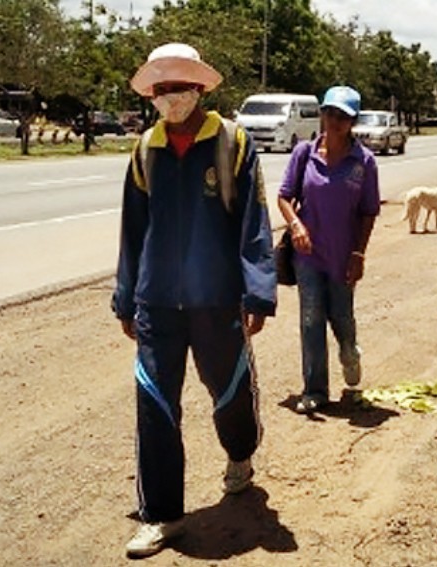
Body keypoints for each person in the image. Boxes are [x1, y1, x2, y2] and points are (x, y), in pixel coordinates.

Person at [111, 43, 277, 559]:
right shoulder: (145, 149)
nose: (169, 96)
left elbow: (253, 222)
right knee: (155, 405)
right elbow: (132, 231)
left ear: (200, 87)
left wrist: (258, 290)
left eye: (178, 85)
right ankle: (162, 515)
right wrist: (125, 298)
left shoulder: (232, 142)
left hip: (217, 300)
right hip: (157, 302)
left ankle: (240, 456)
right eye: (160, 88)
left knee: (228, 394)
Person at [276, 85, 381, 414]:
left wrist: (359, 254)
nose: (334, 121)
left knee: (341, 317)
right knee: (310, 319)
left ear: (353, 122)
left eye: (343, 117)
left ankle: (349, 352)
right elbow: (284, 196)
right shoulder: (304, 153)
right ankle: (316, 390)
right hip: (307, 254)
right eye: (330, 113)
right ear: (322, 113)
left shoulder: (363, 162)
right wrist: (295, 225)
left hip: (343, 255)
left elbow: (368, 212)